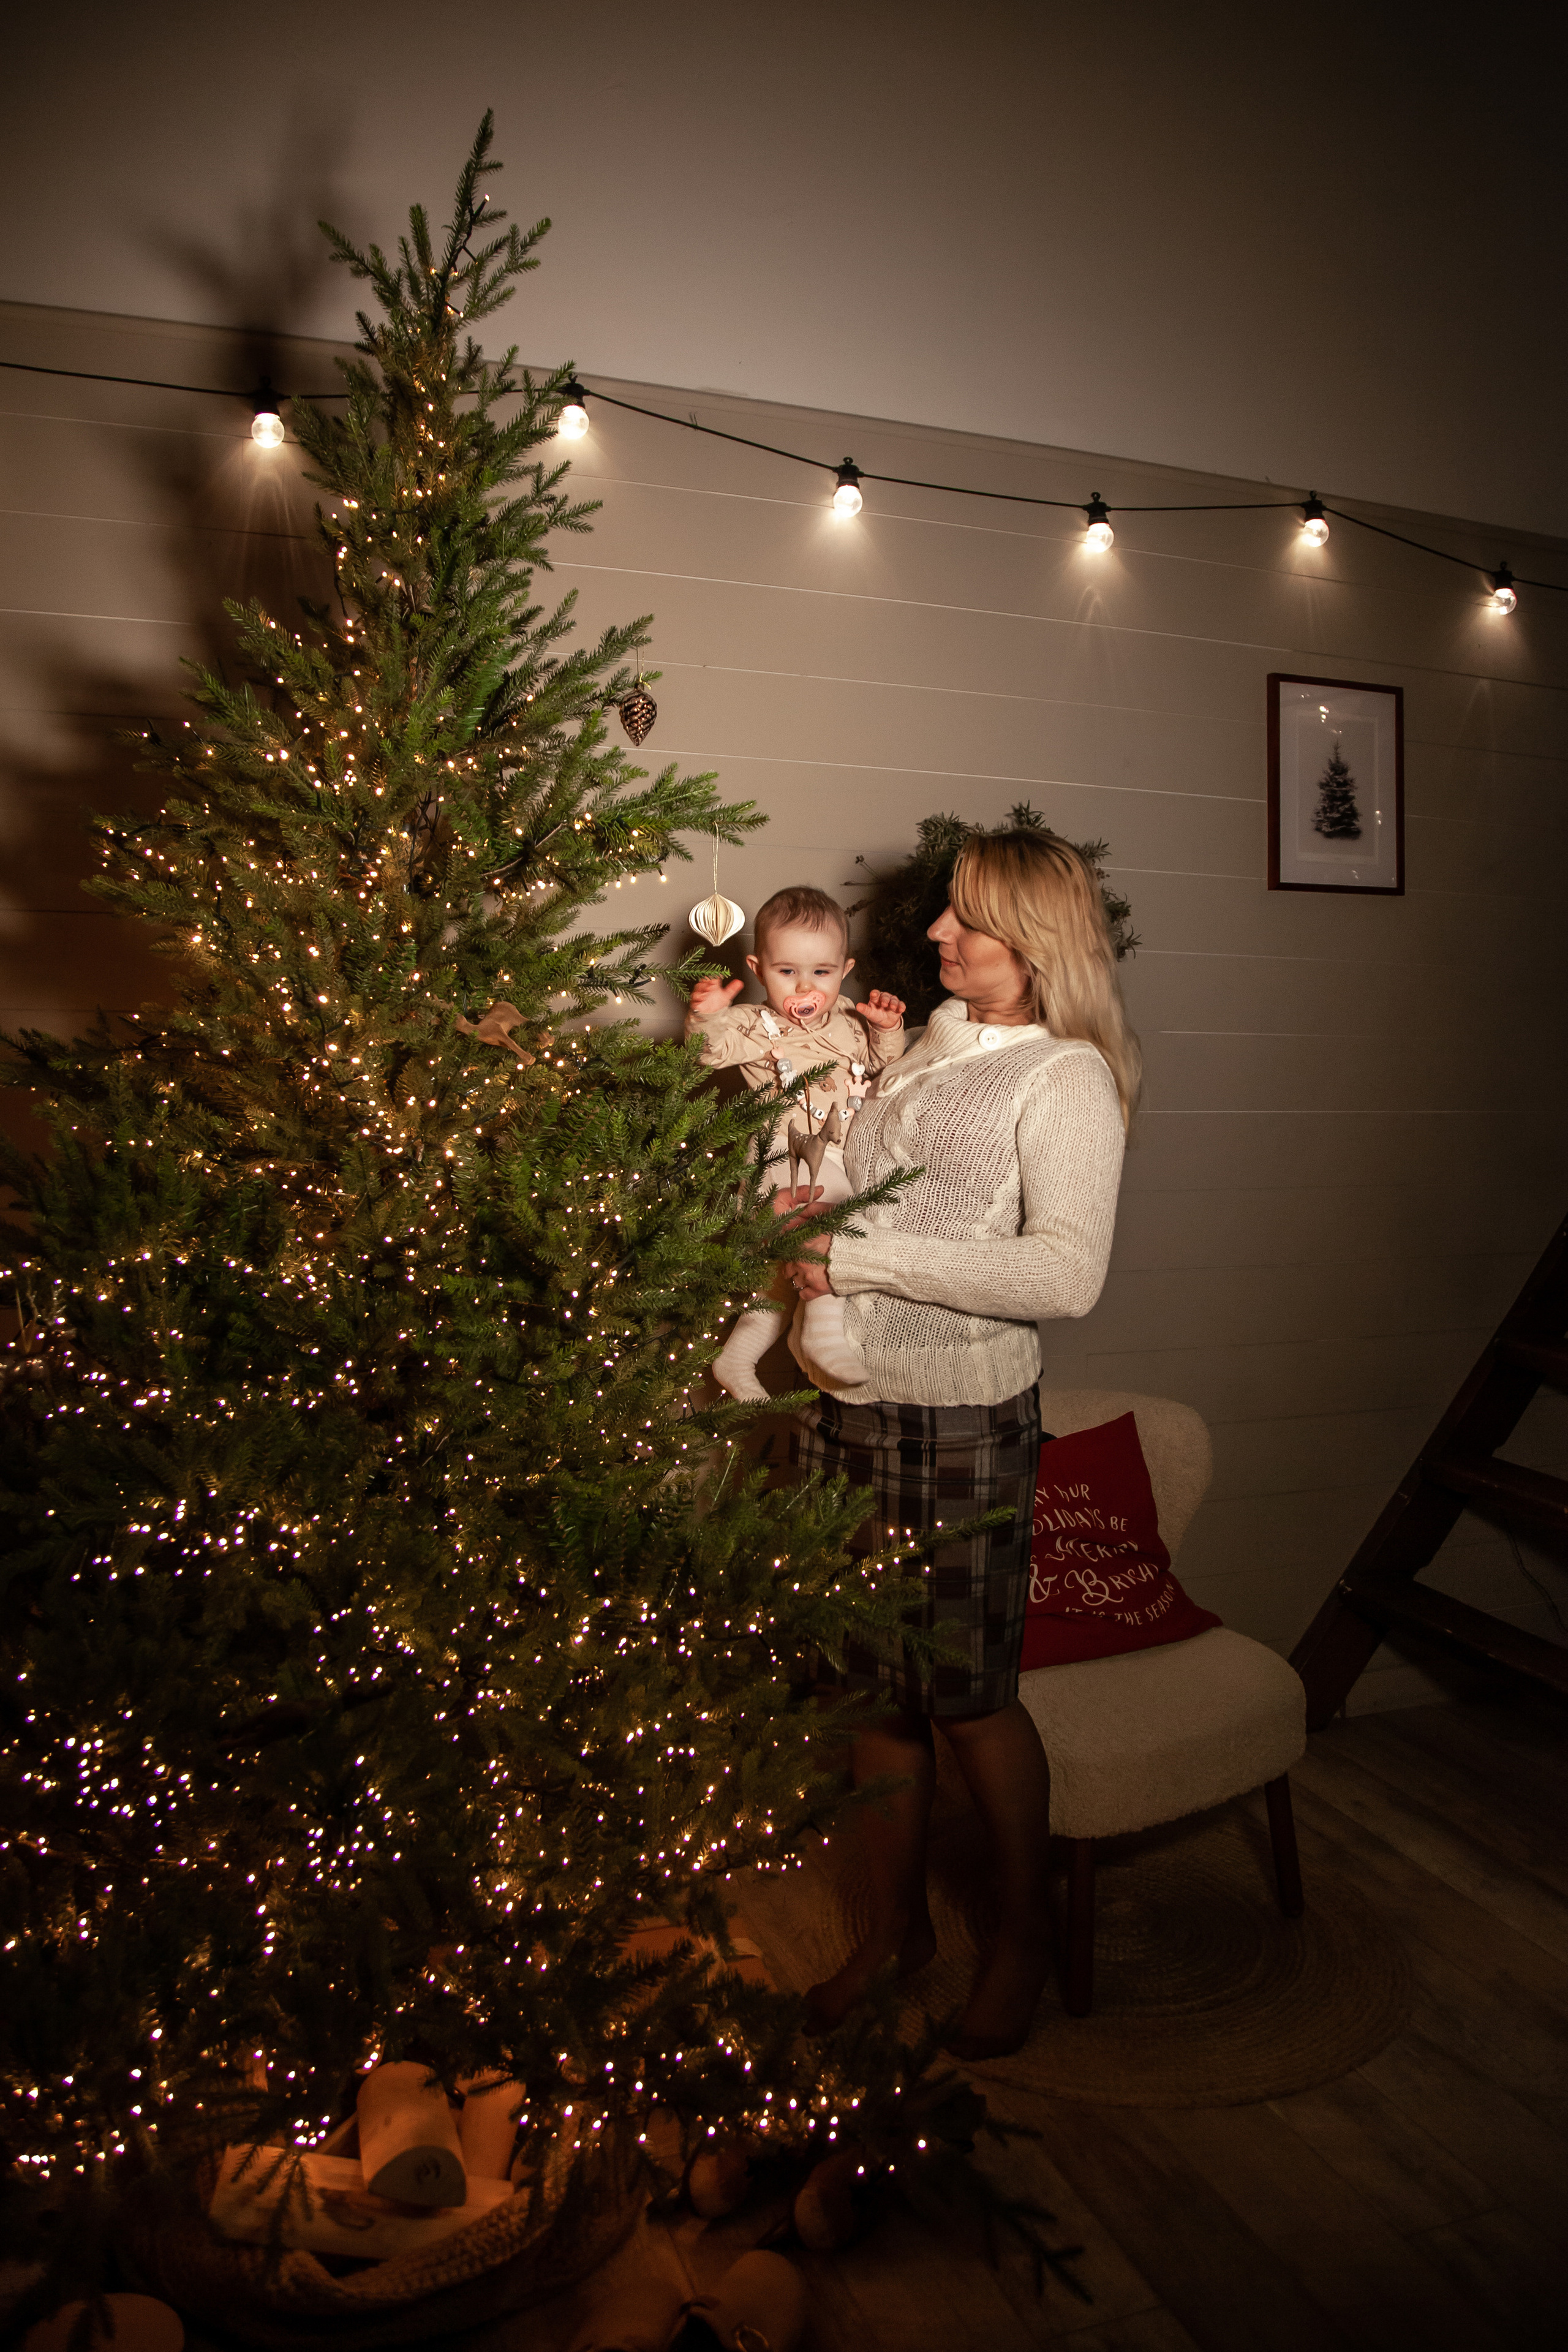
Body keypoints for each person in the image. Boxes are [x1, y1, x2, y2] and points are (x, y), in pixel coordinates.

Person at [780, 829, 1139, 2059]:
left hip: (963, 1419)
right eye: (943, 913)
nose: (936, 933)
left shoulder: (1066, 1079)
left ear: (1033, 940)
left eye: (966, 919)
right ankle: (893, 1934)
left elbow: (1064, 1275)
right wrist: (815, 1215)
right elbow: (880, 1191)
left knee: (968, 1701)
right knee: (866, 1695)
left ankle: (1022, 1937)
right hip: (847, 1401)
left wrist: (854, 1256)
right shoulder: (926, 1043)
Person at [685, 886, 906, 1399]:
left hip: (837, 1155)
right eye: (787, 971)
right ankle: (823, 1335)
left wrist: (888, 1028)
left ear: (845, 970)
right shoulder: (752, 1025)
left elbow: (883, 1065)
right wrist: (707, 1017)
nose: (806, 986)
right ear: (759, 969)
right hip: (782, 1162)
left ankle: (737, 1358)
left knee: (778, 1279)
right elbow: (707, 1053)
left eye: (822, 972)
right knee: (834, 1228)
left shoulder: (849, 1018)